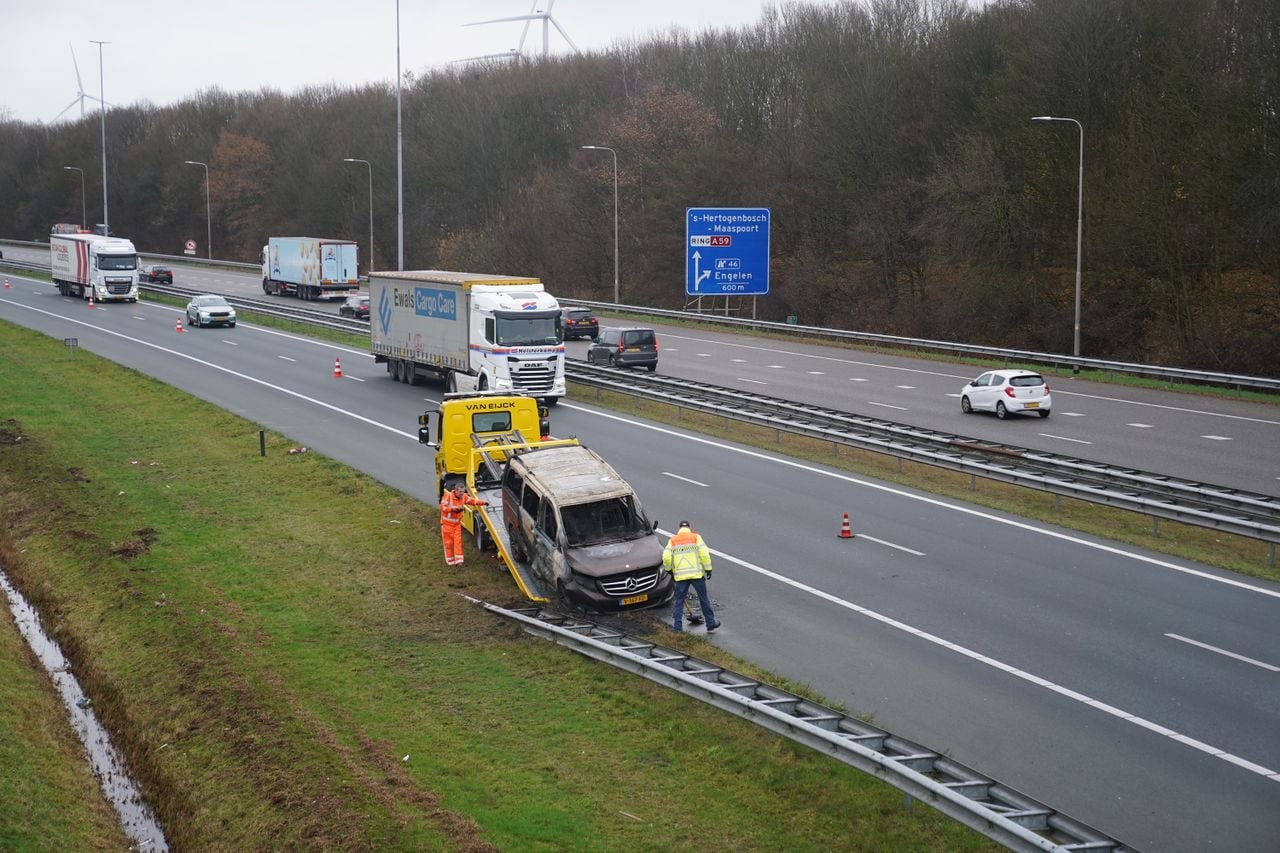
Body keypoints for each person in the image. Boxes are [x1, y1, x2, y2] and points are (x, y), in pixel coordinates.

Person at [662, 520, 719, 633]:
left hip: (681, 577)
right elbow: (704, 553)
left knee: (679, 601)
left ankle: (677, 627)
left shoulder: (672, 540)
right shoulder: (695, 537)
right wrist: (708, 569)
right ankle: (710, 623)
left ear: (679, 529)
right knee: (704, 599)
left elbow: (666, 557)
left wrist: (669, 570)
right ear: (689, 528)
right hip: (696, 575)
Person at [439, 481, 488, 567]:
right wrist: (453, 509)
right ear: (456, 491)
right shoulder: (448, 497)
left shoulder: (464, 497)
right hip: (447, 525)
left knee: (458, 542)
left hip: (457, 525)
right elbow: (442, 507)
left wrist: (483, 503)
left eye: (463, 491)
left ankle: (459, 561)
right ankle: (450, 562)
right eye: (460, 492)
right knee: (449, 544)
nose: (462, 493)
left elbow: (473, 501)